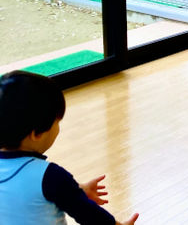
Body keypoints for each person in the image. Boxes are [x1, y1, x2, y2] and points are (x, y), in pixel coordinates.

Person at [0, 70, 139, 224]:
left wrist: (77, 188)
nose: (58, 127)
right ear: (36, 134)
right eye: (57, 122)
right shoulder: (51, 176)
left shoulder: (51, 180)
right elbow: (91, 216)